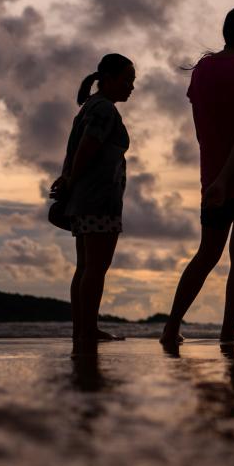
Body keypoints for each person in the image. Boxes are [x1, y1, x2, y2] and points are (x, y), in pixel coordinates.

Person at [160, 6, 234, 346]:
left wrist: (215, 175)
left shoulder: (203, 71)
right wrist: (222, 178)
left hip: (223, 175)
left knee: (214, 254)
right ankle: (216, 333)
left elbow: (206, 133)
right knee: (224, 255)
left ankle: (181, 328)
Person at [53, 52, 134, 355]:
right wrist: (71, 179)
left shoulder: (91, 107)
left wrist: (69, 178)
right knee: (95, 268)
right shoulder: (103, 109)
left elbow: (76, 149)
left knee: (86, 267)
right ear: (109, 80)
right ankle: (88, 329)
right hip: (99, 199)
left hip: (85, 198)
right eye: (126, 80)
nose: (131, 87)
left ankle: (83, 328)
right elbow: (88, 145)